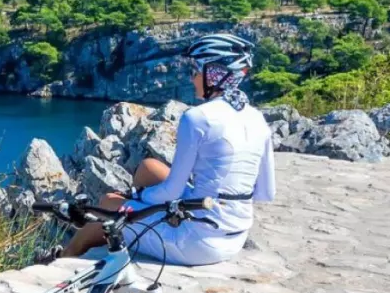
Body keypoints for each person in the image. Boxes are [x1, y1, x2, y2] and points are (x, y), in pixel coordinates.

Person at [60, 32, 276, 265]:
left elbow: (172, 191)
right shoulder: (257, 118)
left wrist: (138, 197)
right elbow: (266, 193)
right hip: (235, 236)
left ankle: (64, 258)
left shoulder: (198, 118)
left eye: (196, 70)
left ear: (214, 74)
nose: (192, 78)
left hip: (196, 242)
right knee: (149, 168)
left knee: (109, 205)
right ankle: (129, 218)